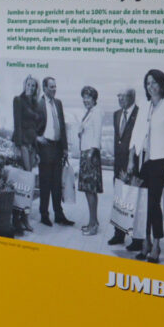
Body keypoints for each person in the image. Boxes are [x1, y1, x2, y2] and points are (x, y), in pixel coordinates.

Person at [130, 69, 164, 264]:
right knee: (141, 205)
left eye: (154, 83)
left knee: (153, 205)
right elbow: (136, 132)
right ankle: (146, 242)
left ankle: (157, 245)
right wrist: (132, 158)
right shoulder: (145, 106)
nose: (150, 87)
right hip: (144, 161)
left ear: (162, 84)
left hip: (160, 162)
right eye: (147, 83)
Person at [107, 88, 144, 251]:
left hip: (134, 164)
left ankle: (137, 238)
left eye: (123, 96)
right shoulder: (116, 114)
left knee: (135, 200)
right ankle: (119, 233)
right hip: (118, 164)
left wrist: (132, 162)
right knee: (119, 199)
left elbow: (139, 140)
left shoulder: (140, 114)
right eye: (118, 95)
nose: (120, 98)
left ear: (132, 97)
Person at [35, 76, 74, 227]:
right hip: (44, 148)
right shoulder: (37, 104)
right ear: (44, 88)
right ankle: (44, 215)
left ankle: (59, 215)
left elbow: (62, 126)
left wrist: (65, 148)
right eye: (51, 87)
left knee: (57, 184)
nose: (54, 89)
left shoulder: (58, 103)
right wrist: (37, 138)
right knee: (45, 184)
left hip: (57, 148)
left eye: (55, 86)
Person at [11, 75, 43, 233]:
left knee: (27, 182)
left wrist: (36, 149)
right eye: (28, 84)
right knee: (24, 180)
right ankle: (18, 219)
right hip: (22, 143)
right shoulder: (18, 100)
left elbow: (36, 129)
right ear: (24, 85)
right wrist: (17, 145)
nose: (31, 87)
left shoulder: (35, 104)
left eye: (33, 85)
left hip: (31, 145)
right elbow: (17, 123)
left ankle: (24, 218)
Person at [77, 85, 103, 235]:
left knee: (91, 190)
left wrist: (91, 153)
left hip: (90, 154)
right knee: (88, 191)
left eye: (88, 97)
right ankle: (93, 222)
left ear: (94, 99)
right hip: (85, 152)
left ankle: (93, 225)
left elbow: (97, 135)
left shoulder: (97, 112)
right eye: (84, 97)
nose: (85, 100)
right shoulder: (89, 113)